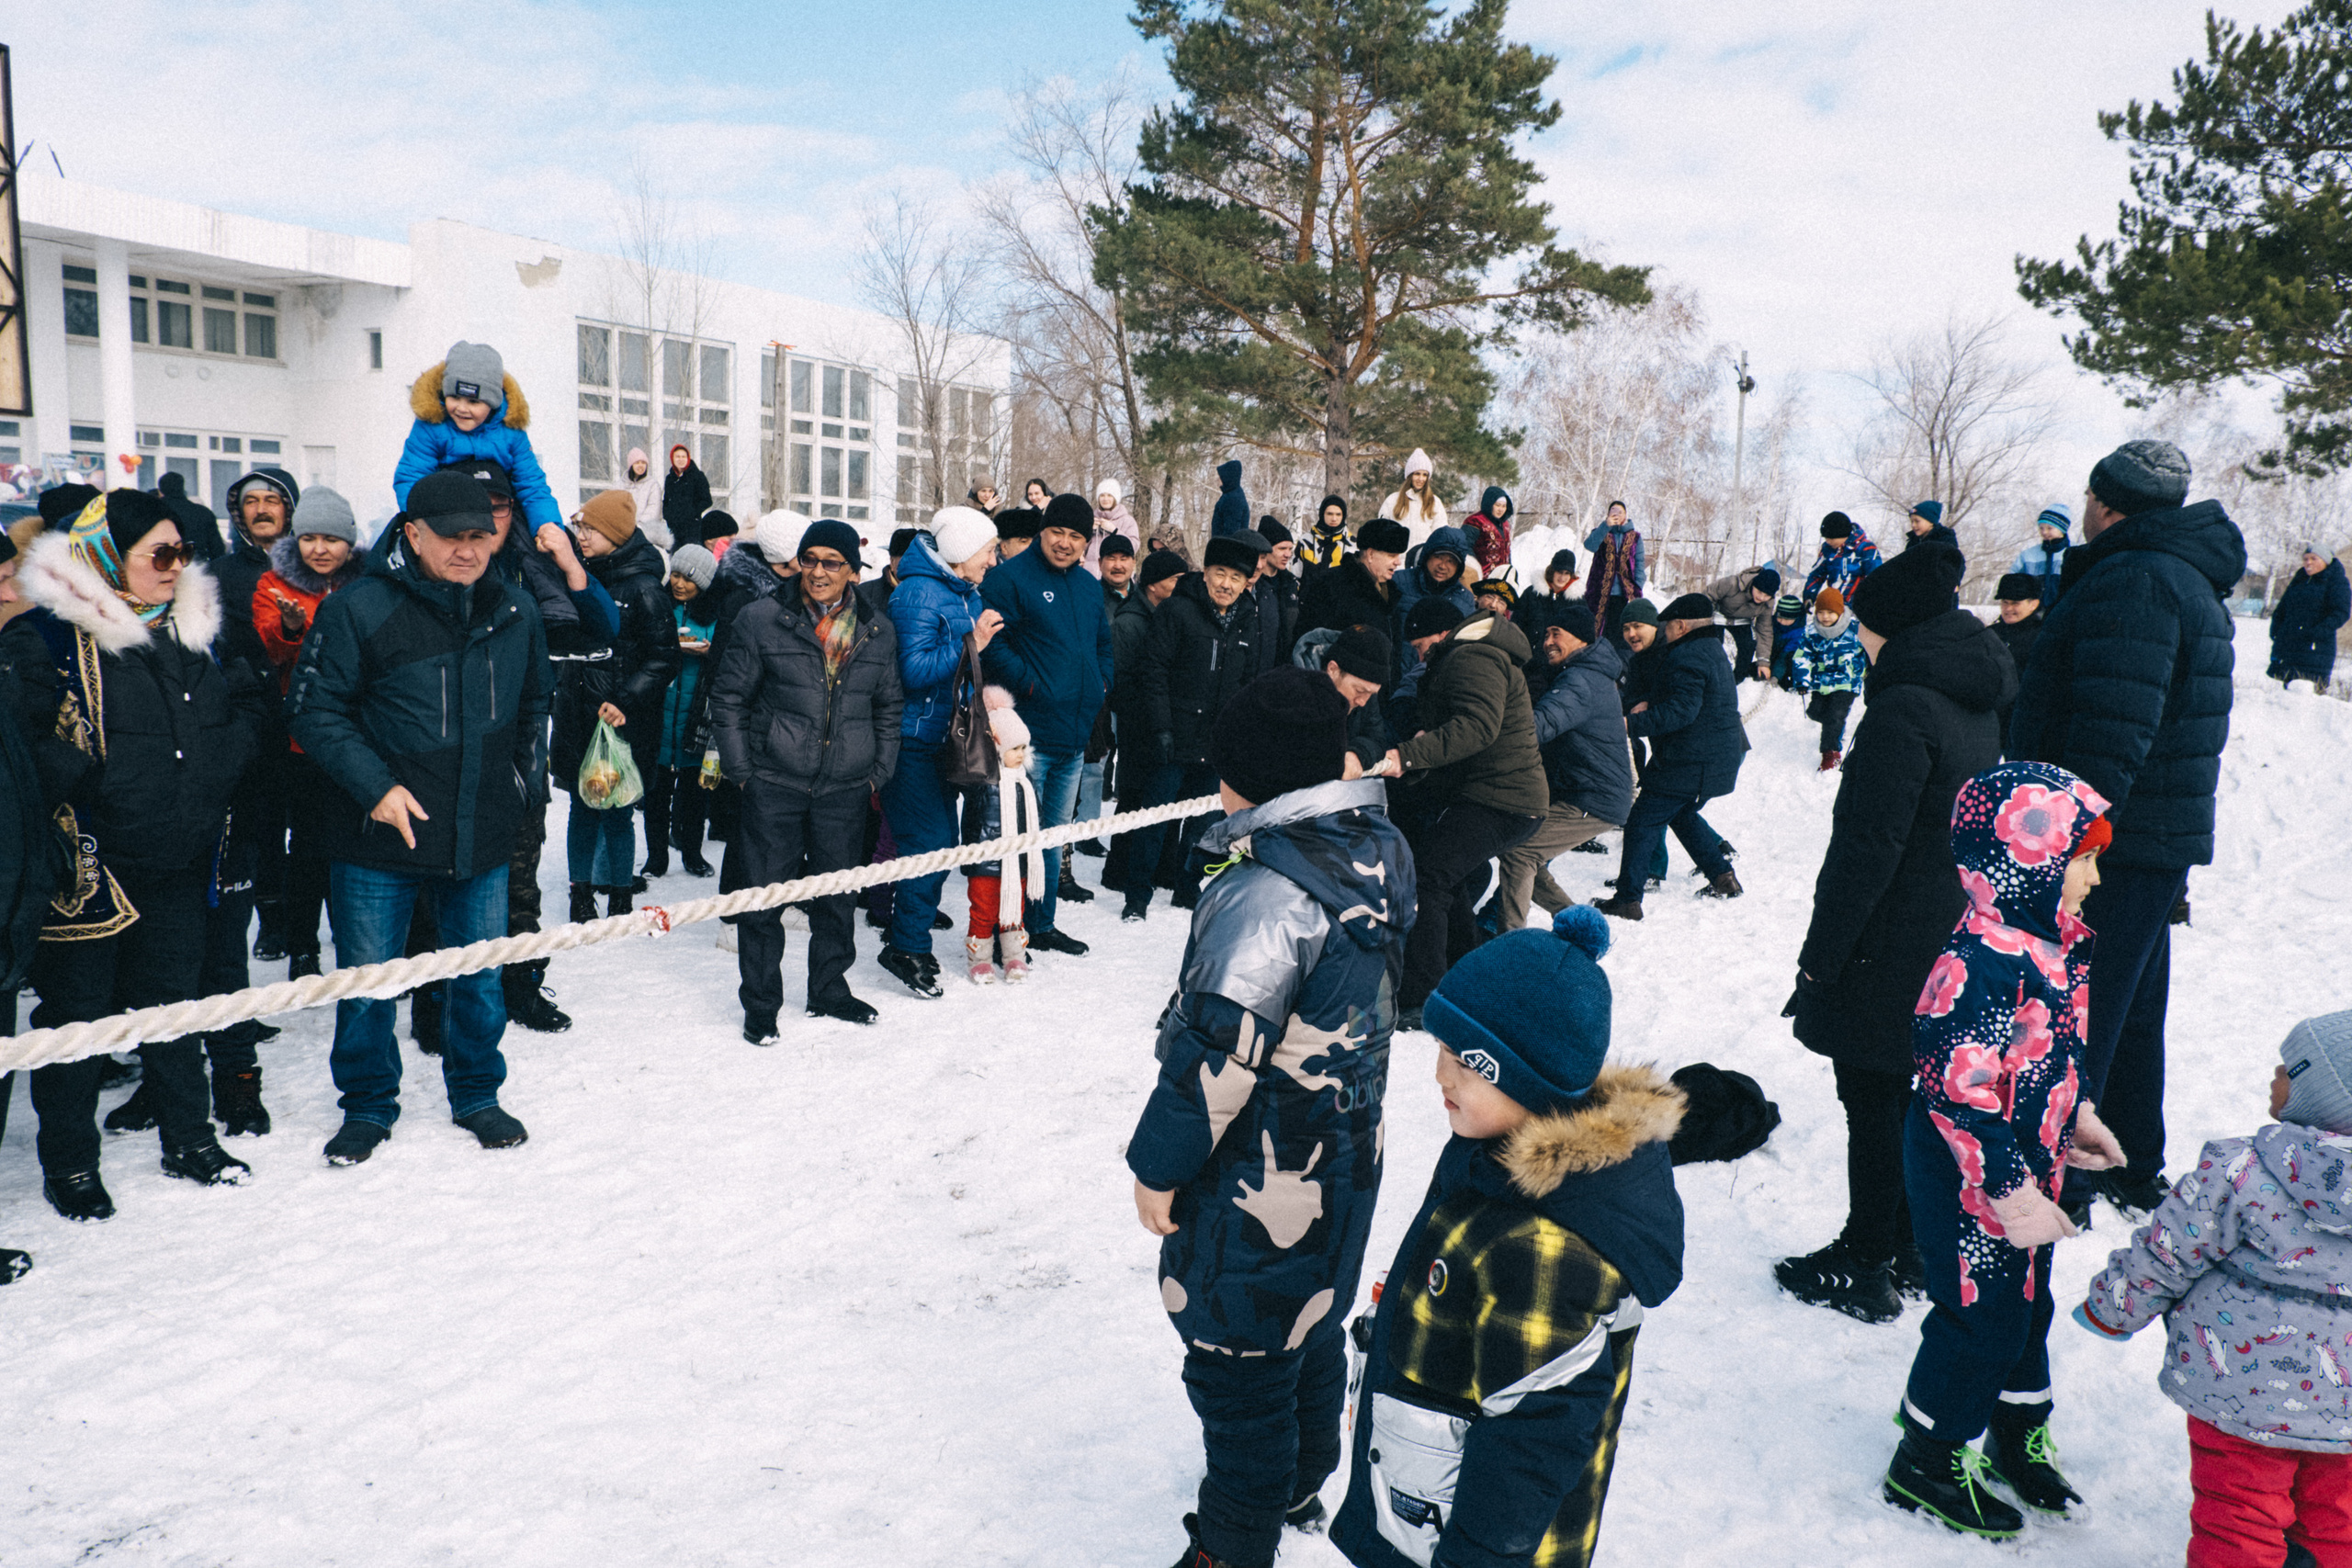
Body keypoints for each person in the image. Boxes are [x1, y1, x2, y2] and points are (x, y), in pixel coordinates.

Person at [1129, 666, 1409, 1568]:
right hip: (1345, 1153)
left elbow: (1216, 1052)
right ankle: (1303, 1476)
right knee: (1311, 1318)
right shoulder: (1375, 846)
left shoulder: (1265, 895)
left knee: (1240, 1365)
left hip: (1262, 1177)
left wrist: (1157, 1165)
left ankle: (1231, 1545)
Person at [1331, 907, 1685, 1568]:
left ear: (1532, 1078)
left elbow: (1531, 1445)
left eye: (1467, 1060)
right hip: (1429, 1501)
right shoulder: (1496, 1156)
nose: (1442, 1074)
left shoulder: (1546, 1245)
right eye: (1441, 1047)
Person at [1883, 761, 2122, 1538]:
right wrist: (2010, 1187)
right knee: (1980, 1317)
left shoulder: (2050, 944)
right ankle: (1926, 1451)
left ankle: (2014, 1428)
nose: (2093, 875)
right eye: (2082, 858)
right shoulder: (1981, 960)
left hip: (2026, 1160)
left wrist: (2075, 1112)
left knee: (2027, 1301)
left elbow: (2053, 1052)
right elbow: (1957, 1090)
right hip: (1970, 1172)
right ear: (2031, 861)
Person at [1777, 540, 2014, 1324]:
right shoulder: (1971, 693)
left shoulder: (1904, 705)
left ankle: (1865, 1256)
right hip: (1946, 926)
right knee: (1911, 1098)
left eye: (1867, 626)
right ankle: (1911, 1244)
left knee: (1872, 1095)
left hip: (1892, 933)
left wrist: (1824, 956)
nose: (1859, 637)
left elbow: (1866, 846)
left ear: (1895, 626)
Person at [2009, 438, 2245, 1216]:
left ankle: (2068, 1175)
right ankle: (2135, 1156)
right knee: (2134, 1001)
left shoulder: (2138, 578)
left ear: (2104, 502)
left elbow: (2113, 731)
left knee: (2086, 1007)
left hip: (2113, 841)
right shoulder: (2175, 572)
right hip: (2149, 836)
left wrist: (2064, 836)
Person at [286, 470, 548, 1166]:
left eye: (479, 537)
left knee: (480, 976)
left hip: (480, 833)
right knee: (369, 981)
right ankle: (368, 1105)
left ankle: (477, 1094)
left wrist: (518, 783)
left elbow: (534, 708)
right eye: (451, 538)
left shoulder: (516, 610)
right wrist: (376, 787)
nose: (468, 551)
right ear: (412, 534)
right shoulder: (358, 609)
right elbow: (313, 710)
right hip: (378, 838)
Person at [16, 490, 260, 1211]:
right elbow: (25, 741)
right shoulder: (49, 635)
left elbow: (241, 705)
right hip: (93, 863)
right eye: (160, 552)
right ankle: (71, 1165)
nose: (175, 565)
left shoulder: (197, 628)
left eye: (183, 552)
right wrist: (88, 775)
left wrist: (226, 758)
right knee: (77, 1021)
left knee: (173, 1006)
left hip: (179, 856)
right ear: (102, 554)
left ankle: (189, 1138)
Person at [2076, 1010, 2352, 1567]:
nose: (2274, 1076)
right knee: (2339, 1524)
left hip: (2241, 1396)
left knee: (2239, 1520)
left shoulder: (2241, 1170)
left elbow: (2168, 1252)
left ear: (2325, 1097)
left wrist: (2112, 1309)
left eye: (2288, 1070)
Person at [708, 519, 902, 1041]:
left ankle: (829, 989)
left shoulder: (877, 629)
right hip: (774, 782)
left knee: (837, 897)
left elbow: (888, 708)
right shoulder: (763, 618)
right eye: (809, 559)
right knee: (763, 900)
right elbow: (728, 699)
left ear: (852, 573)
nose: (818, 571)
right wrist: (743, 771)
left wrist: (877, 771)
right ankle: (761, 1003)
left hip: (845, 787)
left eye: (831, 562)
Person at [1388, 602, 1546, 1026]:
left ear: (1440, 635)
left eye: (1420, 646)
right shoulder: (1470, 656)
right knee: (1447, 878)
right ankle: (1467, 970)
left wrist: (1408, 754)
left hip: (1503, 800)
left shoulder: (1471, 657)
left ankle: (1422, 994)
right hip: (1495, 795)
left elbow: (1478, 727)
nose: (1419, 656)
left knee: (1428, 879)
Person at [978, 493, 1113, 955]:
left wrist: (1101, 683)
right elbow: (993, 646)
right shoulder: (1009, 579)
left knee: (1054, 838)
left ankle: (1042, 922)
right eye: (1057, 531)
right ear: (1042, 530)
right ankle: (1008, 930)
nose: (1065, 543)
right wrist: (1033, 686)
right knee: (1018, 840)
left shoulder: (1088, 585)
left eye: (1076, 536)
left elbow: (1102, 644)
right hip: (1027, 737)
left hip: (1074, 733)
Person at [876, 507, 1002, 994]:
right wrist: (974, 641)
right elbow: (911, 672)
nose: (993, 560)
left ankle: (909, 939)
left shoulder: (960, 590)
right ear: (962, 551)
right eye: (988, 550)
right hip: (911, 741)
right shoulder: (918, 592)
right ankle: (905, 945)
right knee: (928, 845)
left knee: (939, 844)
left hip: (940, 739)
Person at [249, 486, 366, 986]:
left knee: (356, 847)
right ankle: (302, 947)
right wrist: (293, 631)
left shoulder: (367, 585)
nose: (320, 549)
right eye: (310, 538)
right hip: (303, 742)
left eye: (333, 539)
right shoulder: (273, 586)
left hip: (360, 736)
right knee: (310, 848)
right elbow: (269, 652)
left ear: (350, 544)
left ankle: (354, 942)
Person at [1126, 532, 1270, 918]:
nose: (1226, 584)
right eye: (1220, 573)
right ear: (1205, 572)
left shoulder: (1248, 621)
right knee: (1154, 818)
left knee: (1204, 823)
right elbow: (1153, 670)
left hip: (1215, 743)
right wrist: (1161, 728)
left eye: (1236, 578)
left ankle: (1187, 887)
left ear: (1246, 582)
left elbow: (1248, 683)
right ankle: (1137, 895)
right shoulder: (1178, 610)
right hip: (1172, 735)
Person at [553, 491, 679, 916]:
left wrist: (626, 700)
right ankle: (580, 894)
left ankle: (621, 896)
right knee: (580, 808)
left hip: (620, 722)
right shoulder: (577, 575)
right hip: (576, 714)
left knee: (618, 810)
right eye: (580, 528)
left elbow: (664, 658)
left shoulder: (644, 588)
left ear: (616, 534)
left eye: (591, 529)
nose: (582, 537)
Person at [1594, 593, 1747, 919]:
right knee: (1680, 814)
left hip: (1690, 759)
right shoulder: (1710, 649)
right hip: (1713, 757)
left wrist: (1627, 724)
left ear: (1679, 625)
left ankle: (1628, 899)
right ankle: (1723, 878)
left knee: (1641, 821)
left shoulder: (1687, 655)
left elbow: (1680, 712)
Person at [1492, 601, 1631, 933]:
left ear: (1581, 639)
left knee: (1520, 851)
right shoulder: (1584, 674)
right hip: (1584, 791)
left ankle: (1510, 947)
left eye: (1557, 634)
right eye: (1547, 633)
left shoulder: (1580, 682)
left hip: (1593, 798)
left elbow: (1536, 728)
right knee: (1529, 858)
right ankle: (1581, 928)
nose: (1547, 641)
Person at [214, 467, 300, 964]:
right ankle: (273, 920)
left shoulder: (313, 563)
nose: (263, 508)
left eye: (273, 499)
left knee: (310, 824)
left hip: (308, 714)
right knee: (263, 825)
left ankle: (311, 916)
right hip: (256, 719)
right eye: (252, 501)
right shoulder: (223, 574)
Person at [391, 342, 561, 530]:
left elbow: (531, 483)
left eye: (473, 401)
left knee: (535, 549)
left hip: (498, 515)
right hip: (446, 514)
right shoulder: (432, 425)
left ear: (493, 403)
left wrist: (547, 524)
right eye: (454, 397)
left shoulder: (511, 431)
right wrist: (421, 520)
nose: (462, 408)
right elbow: (412, 476)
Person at [1103, 548, 1188, 914]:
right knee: (1134, 796)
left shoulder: (1164, 615)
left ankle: (1157, 868)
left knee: (1156, 797)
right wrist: (1139, 715)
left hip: (1156, 720)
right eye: (1174, 581)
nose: (1179, 587)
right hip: (1137, 723)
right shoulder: (1130, 622)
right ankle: (1117, 871)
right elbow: (1120, 678)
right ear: (1154, 585)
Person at [652, 543, 721, 878]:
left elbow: (725, 660)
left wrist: (709, 653)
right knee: (656, 791)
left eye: (689, 579)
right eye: (676, 575)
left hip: (697, 716)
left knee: (695, 795)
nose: (679, 584)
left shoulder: (716, 617)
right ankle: (656, 857)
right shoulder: (660, 606)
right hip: (661, 713)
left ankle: (692, 853)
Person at [1076, 531, 1139, 860]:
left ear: (1133, 562)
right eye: (1110, 559)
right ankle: (1085, 830)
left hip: (1132, 693)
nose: (1117, 565)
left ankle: (1127, 836)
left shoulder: (1142, 598)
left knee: (1130, 762)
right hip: (1097, 691)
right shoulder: (1090, 595)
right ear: (1099, 563)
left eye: (1124, 558)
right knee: (1094, 763)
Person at [1389, 525, 1476, 738]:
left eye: (1451, 561)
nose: (1443, 566)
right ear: (1427, 555)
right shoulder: (1400, 582)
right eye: (1439, 557)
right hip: (1394, 674)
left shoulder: (1464, 598)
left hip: (1432, 684)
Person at [1294, 624, 1392, 773]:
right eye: (1359, 690)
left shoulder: (1365, 693)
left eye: (1371, 693)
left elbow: (1377, 738)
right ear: (1333, 670)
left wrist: (1356, 756)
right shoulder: (1293, 691)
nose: (1363, 702)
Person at [1791, 586, 1869, 770]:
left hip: (1846, 682)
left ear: (1840, 612)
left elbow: (1869, 650)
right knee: (1816, 712)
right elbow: (1802, 655)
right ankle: (1835, 728)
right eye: (1821, 612)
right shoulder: (1811, 632)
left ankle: (1830, 754)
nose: (1825, 616)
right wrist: (1802, 680)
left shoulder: (1855, 629)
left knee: (1834, 716)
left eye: (1830, 612)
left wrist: (1872, 670)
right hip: (1821, 682)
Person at [1295, 516, 1407, 643]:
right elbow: (1308, 645)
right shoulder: (1330, 586)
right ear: (1370, 554)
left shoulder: (1391, 593)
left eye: (1399, 556)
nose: (1398, 562)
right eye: (1392, 555)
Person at [2268, 546, 2350, 689]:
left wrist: (2316, 633)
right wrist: (2276, 630)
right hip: (2289, 647)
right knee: (2285, 697)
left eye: (2314, 558)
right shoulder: (2300, 579)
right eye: (2305, 559)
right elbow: (2282, 609)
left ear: (2326, 561)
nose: (2308, 563)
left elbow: (2340, 612)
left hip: (2315, 650)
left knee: (2308, 697)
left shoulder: (2335, 581)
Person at [1986, 570, 2043, 746]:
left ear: (2033, 604)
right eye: (2005, 602)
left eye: (2015, 603)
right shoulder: (1989, 635)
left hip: (2024, 722)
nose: (2008, 609)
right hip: (1990, 722)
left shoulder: (2043, 638)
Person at [1703, 562, 1783, 678]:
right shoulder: (1732, 584)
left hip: (1742, 620)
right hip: (1718, 615)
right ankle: (1709, 675)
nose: (1761, 598)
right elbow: (1706, 597)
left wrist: (1763, 662)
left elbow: (1764, 629)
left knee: (1748, 646)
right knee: (1715, 645)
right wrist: (1705, 621)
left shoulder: (1767, 603)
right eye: (1759, 592)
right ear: (1753, 585)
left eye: (1767, 595)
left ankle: (1737, 679)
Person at [1581, 501, 1645, 646]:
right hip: (1599, 592)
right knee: (1597, 631)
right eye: (1613, 512)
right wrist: (1605, 526)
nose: (1617, 515)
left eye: (1620, 512)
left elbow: (1640, 562)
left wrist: (1638, 584)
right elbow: (1589, 545)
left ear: (1626, 515)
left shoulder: (1635, 537)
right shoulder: (1601, 531)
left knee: (1622, 633)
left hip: (1625, 594)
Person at [1803, 511, 1882, 608]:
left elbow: (1876, 578)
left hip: (1857, 605)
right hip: (1834, 604)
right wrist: (1809, 596)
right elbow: (1817, 574)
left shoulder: (1865, 548)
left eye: (1831, 538)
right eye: (1826, 538)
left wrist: (1871, 603)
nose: (1828, 541)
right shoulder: (1827, 549)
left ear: (1842, 535)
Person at [1379, 447, 1449, 551]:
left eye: (1424, 475)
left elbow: (1441, 535)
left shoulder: (1434, 502)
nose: (1421, 479)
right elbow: (1381, 531)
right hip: (1397, 560)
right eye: (1417, 474)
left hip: (1422, 560)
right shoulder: (1392, 500)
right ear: (1410, 476)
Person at [2005, 504, 2072, 607]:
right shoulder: (2028, 556)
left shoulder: (2074, 552)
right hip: (2034, 614)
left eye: (2050, 528)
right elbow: (2013, 582)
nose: (2044, 532)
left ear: (2062, 529)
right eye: (2041, 528)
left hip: (2064, 611)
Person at [154, 468, 227, 562]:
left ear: (160, 491)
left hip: (162, 565)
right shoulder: (203, 512)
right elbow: (217, 550)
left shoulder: (153, 511)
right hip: (196, 566)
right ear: (182, 488)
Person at [1514, 547, 1579, 637]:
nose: (1562, 577)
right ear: (1552, 571)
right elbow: (1516, 623)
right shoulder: (1532, 593)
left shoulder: (1577, 601)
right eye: (1559, 572)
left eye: (1567, 573)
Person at [662, 443, 714, 549]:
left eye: (683, 456)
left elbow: (707, 500)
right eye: (677, 456)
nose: (680, 459)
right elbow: (666, 501)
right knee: (675, 560)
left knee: (691, 559)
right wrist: (667, 516)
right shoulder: (670, 479)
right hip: (674, 529)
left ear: (688, 458)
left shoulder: (697, 476)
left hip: (692, 530)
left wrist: (690, 512)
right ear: (672, 458)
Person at [1459, 484, 1515, 579]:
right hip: (1481, 575)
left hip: (1502, 576)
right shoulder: (1475, 521)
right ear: (1489, 504)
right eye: (1497, 505)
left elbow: (1507, 551)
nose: (1501, 509)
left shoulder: (1505, 525)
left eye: (1504, 506)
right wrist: (1475, 569)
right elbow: (1465, 546)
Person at [1088, 479, 1139, 570]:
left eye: (1109, 495)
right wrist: (1089, 531)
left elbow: (1133, 547)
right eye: (1102, 495)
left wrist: (1115, 531)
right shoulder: (1091, 519)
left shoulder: (1127, 520)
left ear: (1115, 498)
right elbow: (1081, 549)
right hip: (1090, 576)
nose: (1105, 499)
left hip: (1116, 574)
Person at [1298, 494, 1349, 578]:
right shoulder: (1305, 541)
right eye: (1329, 514)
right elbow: (1295, 574)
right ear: (1322, 514)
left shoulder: (1352, 544)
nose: (1334, 519)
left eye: (1338, 514)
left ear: (1343, 516)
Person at [623, 446, 664, 540]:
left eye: (643, 463)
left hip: (645, 534)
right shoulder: (620, 485)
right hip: (623, 532)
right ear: (631, 465)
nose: (640, 465)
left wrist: (638, 527)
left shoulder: (653, 485)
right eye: (637, 463)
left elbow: (654, 509)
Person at [1767, 591, 1805, 689]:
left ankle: (1793, 681)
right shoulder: (1773, 624)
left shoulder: (1798, 633)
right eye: (1780, 618)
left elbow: (1783, 657)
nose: (1782, 622)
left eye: (1787, 619)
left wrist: (1776, 676)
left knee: (1790, 657)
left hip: (1787, 660)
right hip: (1773, 655)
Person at [1210, 458, 1251, 539]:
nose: (1217, 479)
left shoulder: (1232, 499)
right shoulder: (1233, 495)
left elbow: (1232, 532)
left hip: (1227, 549)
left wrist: (1223, 550)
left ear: (1227, 477)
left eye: (1220, 476)